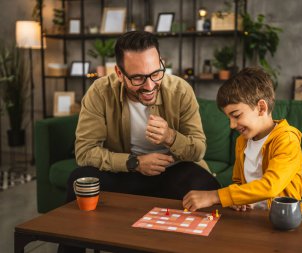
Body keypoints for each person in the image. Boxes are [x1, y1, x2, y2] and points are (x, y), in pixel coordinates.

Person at [59, 31, 220, 253]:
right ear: (118, 72)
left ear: (162, 63)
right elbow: (85, 152)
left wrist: (170, 137)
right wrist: (134, 163)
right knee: (79, 179)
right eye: (138, 78)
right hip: (126, 174)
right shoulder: (99, 92)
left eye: (156, 73)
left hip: (172, 173)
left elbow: (198, 149)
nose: (149, 85)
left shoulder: (180, 90)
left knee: (208, 187)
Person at [183, 67, 302, 212]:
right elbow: (239, 183)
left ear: (261, 108)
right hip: (251, 217)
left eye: (236, 115)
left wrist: (215, 196)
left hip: (282, 220)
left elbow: (270, 186)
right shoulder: (242, 141)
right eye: (229, 118)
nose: (232, 125)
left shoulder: (287, 140)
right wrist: (237, 201)